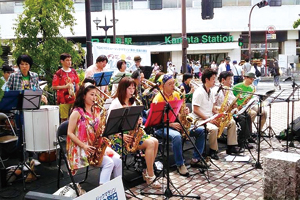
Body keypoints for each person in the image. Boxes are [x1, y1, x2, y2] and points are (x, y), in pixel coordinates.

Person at [107, 77, 160, 188]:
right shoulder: (116, 103)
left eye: (133, 88)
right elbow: (109, 126)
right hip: (119, 137)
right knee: (150, 143)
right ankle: (150, 176)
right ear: (123, 89)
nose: (132, 91)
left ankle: (147, 170)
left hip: (133, 134)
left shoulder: (134, 101)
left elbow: (134, 121)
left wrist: (138, 120)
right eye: (129, 88)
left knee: (155, 141)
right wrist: (121, 135)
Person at [67, 82, 122, 185]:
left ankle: (118, 188)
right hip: (81, 147)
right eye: (91, 94)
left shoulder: (96, 110)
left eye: (95, 95)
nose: (94, 97)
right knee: (109, 163)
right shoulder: (76, 112)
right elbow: (69, 133)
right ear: (83, 96)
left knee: (118, 160)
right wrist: (84, 146)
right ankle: (104, 192)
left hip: (94, 144)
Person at [153, 74, 206, 176]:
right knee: (176, 136)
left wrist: (185, 111)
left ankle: (196, 159)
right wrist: (171, 124)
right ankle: (180, 164)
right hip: (162, 127)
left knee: (201, 131)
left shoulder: (176, 95)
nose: (173, 86)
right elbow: (155, 120)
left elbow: (179, 113)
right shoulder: (158, 98)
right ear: (163, 85)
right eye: (170, 84)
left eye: (174, 83)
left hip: (177, 124)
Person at [192, 69, 240, 160]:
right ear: (207, 79)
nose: (215, 81)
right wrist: (209, 119)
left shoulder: (211, 91)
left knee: (231, 122)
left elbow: (213, 108)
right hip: (200, 119)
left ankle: (231, 146)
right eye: (213, 79)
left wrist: (220, 114)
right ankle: (213, 150)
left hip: (209, 117)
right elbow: (196, 110)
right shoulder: (199, 92)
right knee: (213, 129)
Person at [215, 71, 252, 150]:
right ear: (223, 80)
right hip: (221, 113)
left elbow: (232, 100)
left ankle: (246, 139)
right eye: (229, 79)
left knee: (247, 116)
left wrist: (235, 106)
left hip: (230, 112)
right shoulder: (216, 90)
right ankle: (241, 142)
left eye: (231, 79)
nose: (231, 81)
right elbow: (213, 104)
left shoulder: (229, 89)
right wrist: (220, 110)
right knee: (242, 118)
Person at [233, 72, 267, 136]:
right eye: (251, 79)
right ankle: (247, 133)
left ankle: (259, 131)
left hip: (250, 105)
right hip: (241, 106)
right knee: (253, 113)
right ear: (245, 78)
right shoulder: (236, 87)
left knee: (264, 112)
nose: (252, 81)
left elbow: (252, 99)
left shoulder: (252, 88)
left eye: (253, 79)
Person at [52, 53, 80, 122]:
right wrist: (65, 86)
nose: (69, 62)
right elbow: (54, 86)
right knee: (64, 119)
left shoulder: (73, 71)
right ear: (62, 61)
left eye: (70, 60)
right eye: (67, 60)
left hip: (73, 98)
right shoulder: (59, 73)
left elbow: (77, 84)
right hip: (63, 99)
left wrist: (79, 94)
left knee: (75, 117)